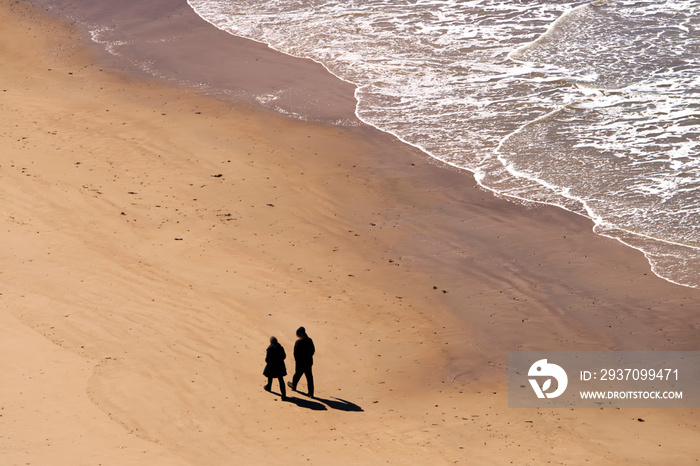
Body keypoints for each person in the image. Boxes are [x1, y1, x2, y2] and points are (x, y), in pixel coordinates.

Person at [288, 326, 315, 397]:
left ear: (300, 334)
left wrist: (297, 360)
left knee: (297, 375)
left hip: (300, 363)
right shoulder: (310, 340)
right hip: (308, 362)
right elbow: (313, 351)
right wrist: (308, 357)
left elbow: (295, 353)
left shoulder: (298, 342)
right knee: (309, 378)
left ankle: (294, 385)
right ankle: (311, 393)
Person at [263, 336, 287, 400]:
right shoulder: (280, 347)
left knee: (270, 376)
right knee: (281, 379)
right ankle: (283, 394)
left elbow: (267, 359)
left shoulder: (270, 348)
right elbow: (284, 356)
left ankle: (268, 386)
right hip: (280, 365)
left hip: (272, 365)